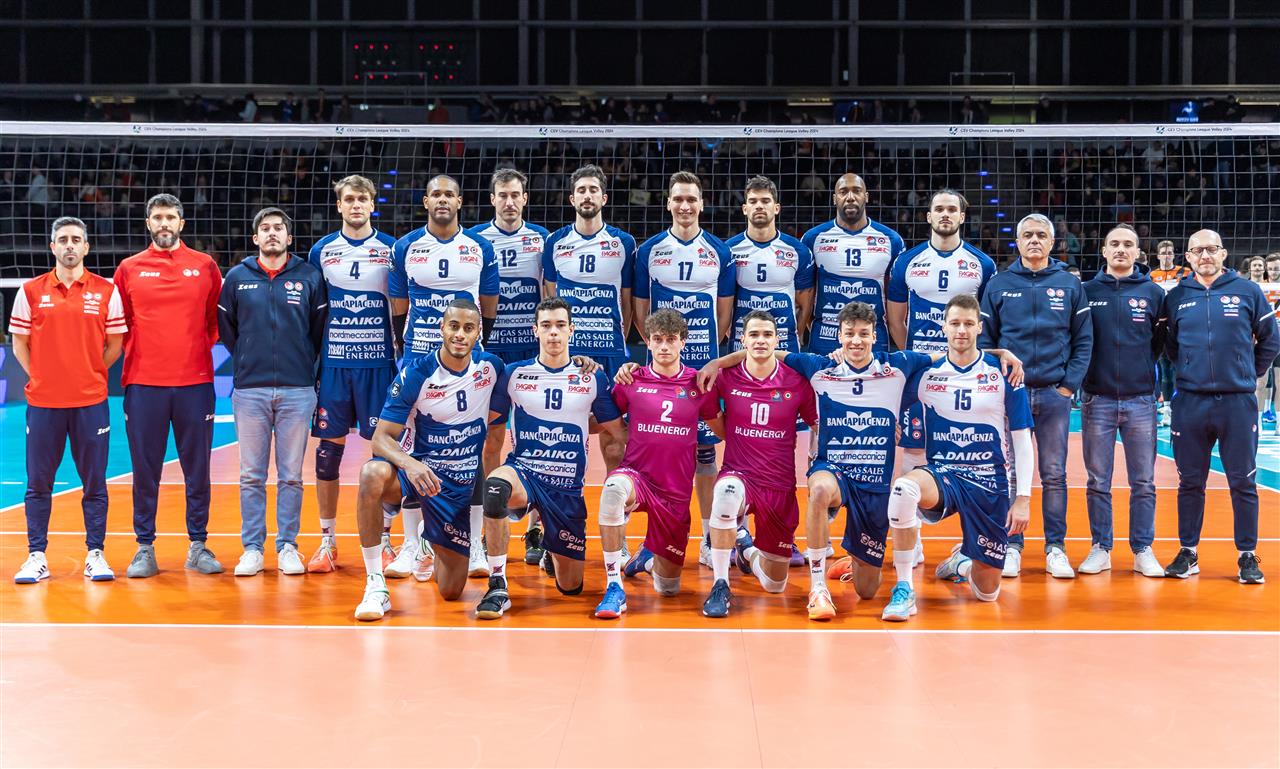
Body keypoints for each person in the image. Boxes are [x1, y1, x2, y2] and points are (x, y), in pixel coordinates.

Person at [353, 300, 508, 621]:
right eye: (454, 326)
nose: (460, 334)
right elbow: (381, 438)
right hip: (420, 477)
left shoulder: (492, 368)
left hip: (458, 489)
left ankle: (429, 541)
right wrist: (410, 464)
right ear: (441, 329)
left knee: (451, 591)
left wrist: (581, 364)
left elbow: (536, 373)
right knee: (371, 474)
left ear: (478, 333)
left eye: (468, 328)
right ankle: (375, 585)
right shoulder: (417, 373)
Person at [474, 298, 626, 619]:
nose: (553, 332)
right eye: (546, 325)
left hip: (566, 489)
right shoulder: (514, 374)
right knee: (496, 488)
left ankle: (549, 549)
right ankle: (498, 584)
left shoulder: (591, 377)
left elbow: (615, 429)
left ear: (572, 330)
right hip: (525, 472)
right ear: (535, 330)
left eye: (560, 325)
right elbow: (490, 426)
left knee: (570, 588)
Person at [113, 194, 224, 578]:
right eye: (158, 217)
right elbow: (121, 323)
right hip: (144, 384)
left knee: (198, 468)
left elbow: (214, 322)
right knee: (145, 470)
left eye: (171, 217)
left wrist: (189, 353)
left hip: (195, 383)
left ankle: (198, 545)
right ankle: (144, 547)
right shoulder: (129, 268)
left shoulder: (205, 265)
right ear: (148, 223)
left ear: (181, 223)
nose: (164, 223)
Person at [10, 217, 126, 583]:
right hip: (44, 403)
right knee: (38, 483)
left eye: (76, 239)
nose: (70, 245)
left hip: (90, 402)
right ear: (53, 247)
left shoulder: (106, 291)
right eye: (63, 240)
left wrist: (90, 372)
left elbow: (115, 344)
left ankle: (96, 553)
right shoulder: (30, 291)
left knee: (95, 482)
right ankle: (36, 556)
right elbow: (19, 343)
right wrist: (42, 376)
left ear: (87, 247)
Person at [900, 294, 1035, 606]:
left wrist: (1023, 499)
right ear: (944, 327)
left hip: (989, 481)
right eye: (955, 323)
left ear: (979, 327)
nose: (961, 330)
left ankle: (961, 563)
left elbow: (1022, 439)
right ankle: (904, 586)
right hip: (944, 476)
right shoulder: (925, 373)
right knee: (903, 489)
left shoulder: (1004, 372)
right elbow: (881, 383)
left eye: (968, 324)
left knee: (987, 594)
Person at [978, 213, 1093, 579]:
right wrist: (999, 384)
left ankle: (1055, 548)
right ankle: (1012, 545)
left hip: (1053, 394)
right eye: (1027, 234)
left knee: (1054, 473)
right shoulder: (998, 284)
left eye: (1041, 235)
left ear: (1052, 241)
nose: (1034, 240)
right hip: (1012, 395)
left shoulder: (1069, 284)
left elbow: (1084, 340)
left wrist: (1068, 386)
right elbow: (986, 342)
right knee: (1011, 472)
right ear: (1017, 241)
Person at [1162, 230, 1279, 584]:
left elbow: (1270, 339)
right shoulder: (1177, 296)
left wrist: (1247, 373)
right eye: (1197, 250)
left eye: (1212, 249)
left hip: (1236, 402)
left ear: (1224, 253)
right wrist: (1191, 371)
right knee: (1189, 482)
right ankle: (1188, 552)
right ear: (1188, 256)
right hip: (1191, 402)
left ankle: (1247, 555)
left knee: (1243, 480)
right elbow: (1170, 347)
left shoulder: (1247, 290)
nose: (1205, 255)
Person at [886, 189, 996, 558]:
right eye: (939, 209)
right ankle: (912, 540)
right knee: (914, 448)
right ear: (929, 216)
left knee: (969, 452)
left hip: (964, 374)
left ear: (962, 216)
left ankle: (972, 542)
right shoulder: (907, 261)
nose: (945, 214)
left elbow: (987, 322)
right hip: (922, 375)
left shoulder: (981, 264)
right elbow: (896, 319)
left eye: (952, 209)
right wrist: (920, 359)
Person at [217, 207, 327, 577]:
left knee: (291, 475)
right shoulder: (237, 277)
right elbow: (228, 330)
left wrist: (300, 361)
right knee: (251, 475)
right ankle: (252, 548)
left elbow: (317, 330)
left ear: (289, 237)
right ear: (255, 238)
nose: (272, 233)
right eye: (265, 228)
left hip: (297, 389)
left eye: (279, 228)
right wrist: (249, 358)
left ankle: (288, 546)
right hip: (250, 390)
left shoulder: (309, 276)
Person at [633, 171, 735, 568]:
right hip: (661, 371)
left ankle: (709, 539)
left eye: (691, 199)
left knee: (705, 456)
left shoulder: (719, 251)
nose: (685, 205)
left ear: (701, 204)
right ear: (668, 204)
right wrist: (662, 354)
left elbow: (724, 314)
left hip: (701, 372)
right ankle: (653, 541)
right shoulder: (650, 250)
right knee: (658, 455)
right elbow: (641, 312)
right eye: (678, 199)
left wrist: (705, 358)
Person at [593, 310, 721, 619]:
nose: (664, 346)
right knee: (612, 490)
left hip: (675, 492)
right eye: (657, 340)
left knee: (668, 588)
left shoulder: (699, 383)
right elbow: (605, 421)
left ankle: (647, 559)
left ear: (683, 342)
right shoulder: (631, 379)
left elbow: (724, 430)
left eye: (671, 340)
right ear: (648, 343)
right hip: (637, 476)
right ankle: (613, 585)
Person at [693, 311, 817, 618]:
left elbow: (818, 425)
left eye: (767, 335)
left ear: (777, 340)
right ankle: (720, 583)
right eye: (754, 335)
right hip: (740, 474)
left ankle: (746, 550)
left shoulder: (797, 381)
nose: (760, 340)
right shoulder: (726, 377)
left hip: (779, 486)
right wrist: (735, 437)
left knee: (775, 585)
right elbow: (712, 417)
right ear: (743, 340)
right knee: (726, 494)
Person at [306, 174, 399, 574]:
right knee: (328, 453)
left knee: (384, 454)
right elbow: (315, 308)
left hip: (378, 365)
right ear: (339, 205)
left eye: (362, 198)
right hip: (336, 365)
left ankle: (385, 539)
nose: (356, 205)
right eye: (349, 199)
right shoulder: (322, 251)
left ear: (372, 204)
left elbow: (401, 305)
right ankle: (327, 541)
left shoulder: (392, 249)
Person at [469, 168, 552, 576]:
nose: (509, 201)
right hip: (493, 355)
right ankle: (492, 522)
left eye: (515, 194)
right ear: (492, 199)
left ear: (525, 198)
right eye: (502, 195)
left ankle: (536, 528)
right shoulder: (475, 240)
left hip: (531, 353)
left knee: (537, 441)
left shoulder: (542, 240)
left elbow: (550, 296)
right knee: (491, 440)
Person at [1078, 224, 1166, 578]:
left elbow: (1158, 343)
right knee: (1098, 481)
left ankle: (1143, 549)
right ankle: (1101, 547)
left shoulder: (1153, 293)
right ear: (1103, 251)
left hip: (1140, 400)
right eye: (1114, 243)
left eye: (1128, 244)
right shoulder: (1086, 291)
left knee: (1143, 481)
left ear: (1137, 252)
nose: (1120, 249)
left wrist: (1141, 372)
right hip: (1097, 398)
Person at [390, 174, 499, 364]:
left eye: (449, 195)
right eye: (436, 194)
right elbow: (399, 307)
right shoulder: (403, 246)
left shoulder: (482, 247)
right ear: (426, 202)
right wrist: (404, 345)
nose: (442, 199)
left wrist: (476, 341)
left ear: (459, 202)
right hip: (419, 350)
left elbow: (489, 307)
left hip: (466, 351)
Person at [801, 172, 904, 355]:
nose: (850, 197)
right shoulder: (813, 238)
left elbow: (895, 300)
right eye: (843, 192)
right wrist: (818, 327)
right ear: (835, 199)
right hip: (824, 341)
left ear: (866, 196)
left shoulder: (891, 240)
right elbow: (806, 297)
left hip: (873, 342)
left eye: (856, 191)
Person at [726, 175, 814, 353]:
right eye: (753, 201)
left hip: (785, 345)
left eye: (765, 201)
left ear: (776, 208)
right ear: (744, 209)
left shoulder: (799, 251)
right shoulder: (728, 251)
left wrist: (797, 334)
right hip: (742, 346)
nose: (759, 206)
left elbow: (805, 303)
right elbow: (724, 302)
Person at [1150, 239, 1191, 427]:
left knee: (1179, 368)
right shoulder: (1152, 275)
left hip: (1180, 326)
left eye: (1169, 253)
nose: (1167, 256)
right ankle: (1166, 410)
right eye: (1163, 253)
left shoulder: (1185, 272)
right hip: (1161, 326)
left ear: (1174, 255)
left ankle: (1180, 408)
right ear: (1158, 255)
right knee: (1164, 369)